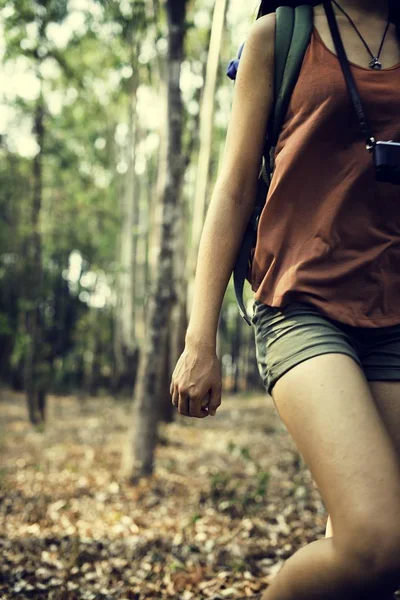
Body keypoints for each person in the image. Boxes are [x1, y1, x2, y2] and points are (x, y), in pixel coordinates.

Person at [170, 0, 400, 598]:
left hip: (394, 307)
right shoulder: (281, 36)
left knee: (364, 561)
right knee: (379, 540)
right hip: (302, 299)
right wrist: (200, 339)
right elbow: (234, 188)